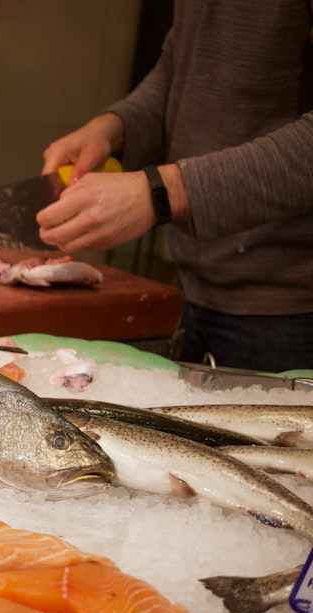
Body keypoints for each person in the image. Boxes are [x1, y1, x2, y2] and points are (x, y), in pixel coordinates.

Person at [35, 1, 313, 373]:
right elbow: (182, 64)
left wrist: (164, 191)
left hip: (291, 311)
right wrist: (117, 126)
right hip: (193, 286)